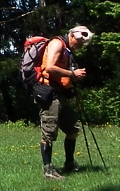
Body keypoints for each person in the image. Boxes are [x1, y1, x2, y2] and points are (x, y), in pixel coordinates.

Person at [37, 26, 93, 180]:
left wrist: (73, 78)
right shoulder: (57, 43)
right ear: (73, 36)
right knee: (49, 132)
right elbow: (49, 67)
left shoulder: (68, 50)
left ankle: (69, 163)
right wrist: (72, 73)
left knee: (73, 129)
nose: (80, 47)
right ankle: (48, 170)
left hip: (60, 93)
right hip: (49, 93)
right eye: (80, 43)